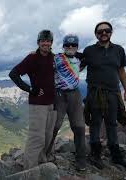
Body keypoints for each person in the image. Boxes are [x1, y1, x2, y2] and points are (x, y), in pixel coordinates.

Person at [82, 21, 126, 169]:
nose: (103, 33)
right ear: (96, 34)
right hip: (94, 93)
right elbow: (75, 64)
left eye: (107, 30)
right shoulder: (89, 51)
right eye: (100, 31)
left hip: (113, 93)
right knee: (95, 123)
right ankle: (95, 155)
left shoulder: (119, 50)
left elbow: (121, 71)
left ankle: (116, 155)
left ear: (111, 32)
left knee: (112, 123)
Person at [9, 30, 57, 169]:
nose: (46, 43)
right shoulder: (32, 58)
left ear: (51, 43)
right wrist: (30, 89)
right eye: (43, 40)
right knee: (37, 137)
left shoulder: (54, 57)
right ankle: (29, 170)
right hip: (38, 104)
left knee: (48, 137)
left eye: (48, 41)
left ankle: (41, 164)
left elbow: (71, 59)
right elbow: (13, 73)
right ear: (38, 42)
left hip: (52, 103)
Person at [46, 34, 87, 171]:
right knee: (55, 126)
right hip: (59, 95)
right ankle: (47, 155)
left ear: (77, 47)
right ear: (63, 46)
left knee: (80, 127)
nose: (70, 47)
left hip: (75, 94)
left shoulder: (80, 59)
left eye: (73, 45)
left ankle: (81, 159)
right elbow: (43, 60)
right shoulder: (56, 58)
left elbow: (85, 57)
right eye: (67, 45)